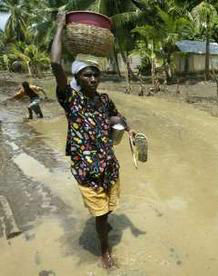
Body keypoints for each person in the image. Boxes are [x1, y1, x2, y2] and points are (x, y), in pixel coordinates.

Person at [50, 12, 129, 269]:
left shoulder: (104, 99)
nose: (93, 79)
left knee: (109, 206)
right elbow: (54, 63)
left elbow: (117, 117)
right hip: (86, 168)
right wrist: (61, 27)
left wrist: (126, 127)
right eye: (87, 75)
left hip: (109, 164)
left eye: (96, 74)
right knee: (100, 212)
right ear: (77, 78)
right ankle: (105, 252)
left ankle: (104, 223)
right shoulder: (71, 99)